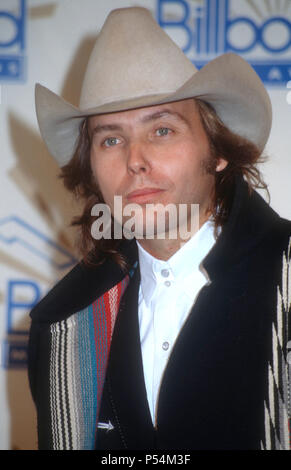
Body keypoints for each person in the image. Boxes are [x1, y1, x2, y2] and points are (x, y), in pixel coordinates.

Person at [28, 7, 291, 450]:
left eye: (163, 130)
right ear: (91, 169)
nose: (134, 159)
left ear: (220, 150)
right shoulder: (65, 327)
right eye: (110, 139)